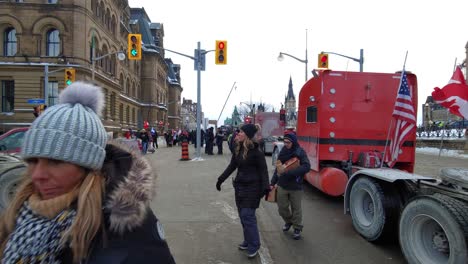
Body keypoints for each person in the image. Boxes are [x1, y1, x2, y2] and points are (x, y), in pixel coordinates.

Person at [0, 82, 175, 263]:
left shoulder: (126, 226)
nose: (37, 175)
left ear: (89, 168)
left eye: (55, 162)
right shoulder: (17, 216)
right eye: (33, 161)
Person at [215, 124, 270, 259]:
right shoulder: (238, 149)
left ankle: (254, 245)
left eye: (240, 132)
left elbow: (264, 171)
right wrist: (220, 179)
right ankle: (248, 240)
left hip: (253, 188)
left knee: (247, 216)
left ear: (247, 135)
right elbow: (232, 166)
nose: (237, 134)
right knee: (243, 216)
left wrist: (265, 188)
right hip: (240, 187)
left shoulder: (257, 152)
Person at [270, 132, 310, 240]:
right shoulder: (283, 151)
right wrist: (272, 183)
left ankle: (297, 228)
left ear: (293, 142)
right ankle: (288, 222)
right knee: (282, 208)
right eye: (285, 142)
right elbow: (278, 169)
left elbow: (307, 167)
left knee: (296, 209)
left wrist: (290, 172)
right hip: (282, 185)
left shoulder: (300, 152)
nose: (286, 144)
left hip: (296, 186)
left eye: (288, 142)